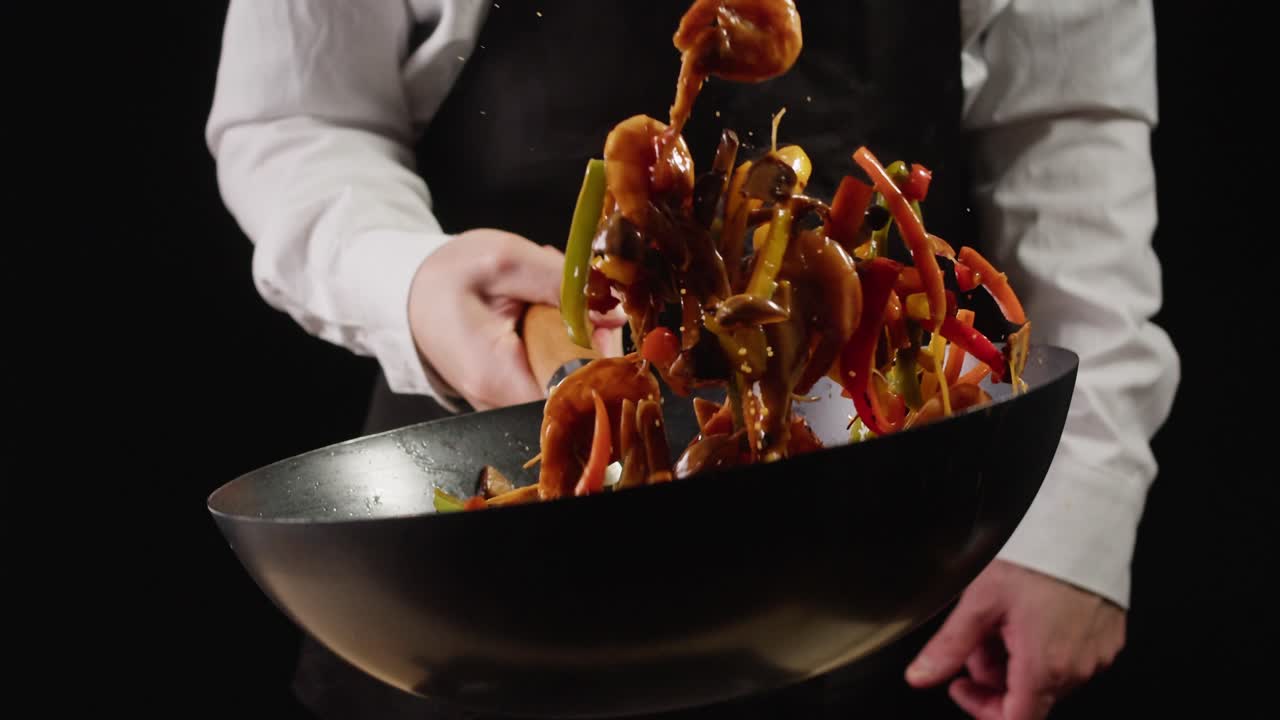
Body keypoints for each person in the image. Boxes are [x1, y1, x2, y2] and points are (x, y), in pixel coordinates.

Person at [205, 1, 1179, 718]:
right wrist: (411, 287)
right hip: (470, 565)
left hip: (885, 567)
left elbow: (1069, 137)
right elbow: (295, 116)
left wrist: (1076, 514)